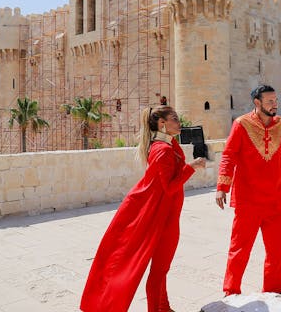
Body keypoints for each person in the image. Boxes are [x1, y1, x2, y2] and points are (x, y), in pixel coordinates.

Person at [80, 106, 206, 312]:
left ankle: (163, 308)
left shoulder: (166, 144)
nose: (179, 122)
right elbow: (170, 187)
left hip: (165, 214)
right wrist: (192, 167)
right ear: (162, 123)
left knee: (160, 270)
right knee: (159, 271)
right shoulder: (162, 150)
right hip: (162, 218)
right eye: (174, 119)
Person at [215, 84, 281, 299]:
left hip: (277, 199)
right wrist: (222, 187)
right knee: (239, 249)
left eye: (276, 100)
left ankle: (273, 289)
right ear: (257, 103)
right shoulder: (241, 124)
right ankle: (231, 292)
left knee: (277, 250)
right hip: (248, 200)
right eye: (270, 101)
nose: (275, 105)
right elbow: (229, 155)